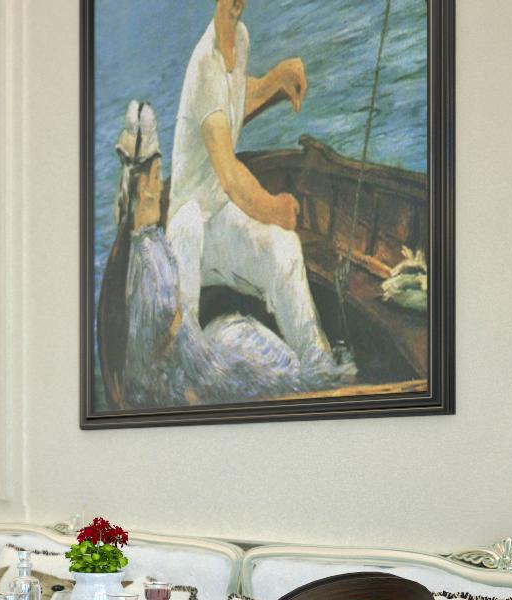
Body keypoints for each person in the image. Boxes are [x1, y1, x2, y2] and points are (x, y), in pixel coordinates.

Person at [166, 0, 354, 387]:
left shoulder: (240, 38)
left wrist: (274, 81)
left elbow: (232, 99)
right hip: (189, 232)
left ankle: (320, 369)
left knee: (284, 247)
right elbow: (230, 176)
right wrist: (275, 208)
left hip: (219, 214)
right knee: (185, 355)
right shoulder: (204, 64)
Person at [106, 100, 304, 409]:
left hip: (181, 357)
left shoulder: (147, 241)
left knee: (242, 333)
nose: (161, 188)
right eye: (158, 178)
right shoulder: (149, 258)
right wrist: (192, 356)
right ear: (144, 188)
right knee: (272, 359)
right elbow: (162, 340)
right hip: (179, 373)